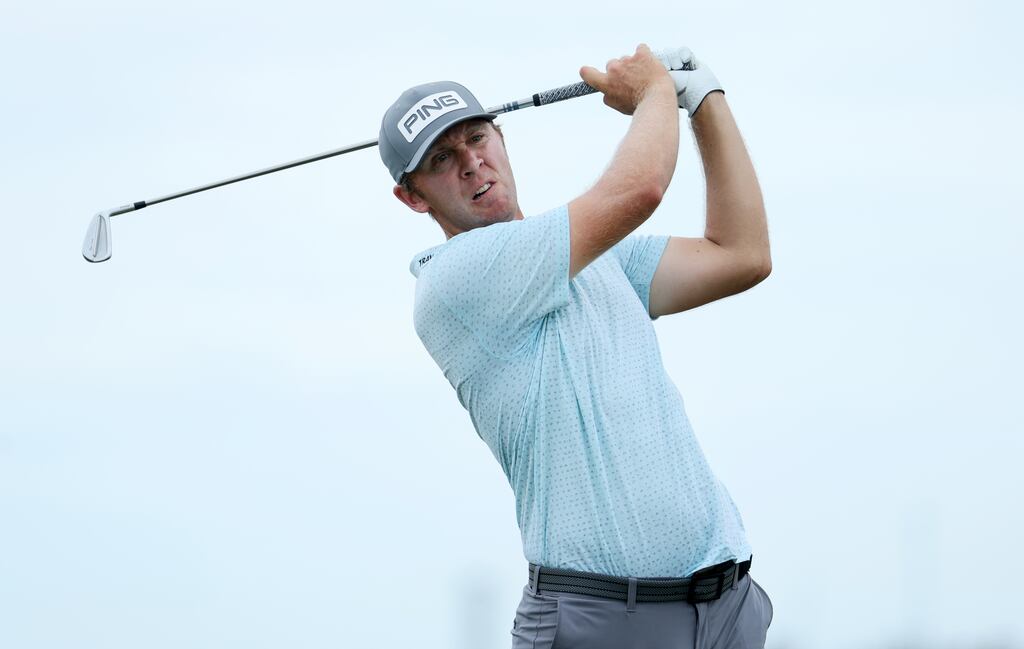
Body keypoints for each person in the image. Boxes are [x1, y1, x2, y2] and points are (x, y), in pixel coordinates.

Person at [378, 44, 774, 649]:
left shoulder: (598, 260)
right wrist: (654, 92)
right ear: (414, 197)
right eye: (442, 159)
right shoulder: (454, 280)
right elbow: (639, 190)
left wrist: (704, 99)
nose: (472, 164)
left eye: (477, 138)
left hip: (726, 609)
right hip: (600, 620)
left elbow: (741, 255)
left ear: (501, 138)